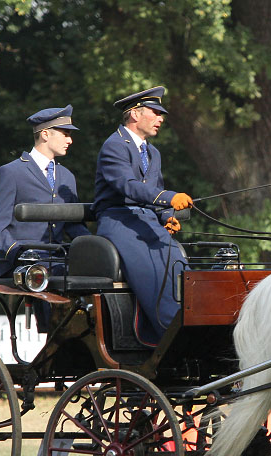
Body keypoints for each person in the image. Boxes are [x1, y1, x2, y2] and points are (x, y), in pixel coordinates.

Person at [92, 87, 193, 344]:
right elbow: (127, 185)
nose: (161, 118)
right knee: (151, 273)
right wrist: (168, 197)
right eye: (156, 112)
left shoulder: (153, 152)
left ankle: (193, 323)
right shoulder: (114, 145)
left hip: (145, 220)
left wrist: (166, 216)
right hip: (118, 220)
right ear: (135, 114)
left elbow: (153, 191)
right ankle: (170, 336)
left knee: (177, 264)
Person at [0, 104, 90, 279]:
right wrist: (18, 253)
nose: (70, 140)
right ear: (45, 134)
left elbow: (74, 225)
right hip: (22, 262)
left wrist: (96, 245)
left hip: (58, 260)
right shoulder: (11, 173)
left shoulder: (67, 177)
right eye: (65, 134)